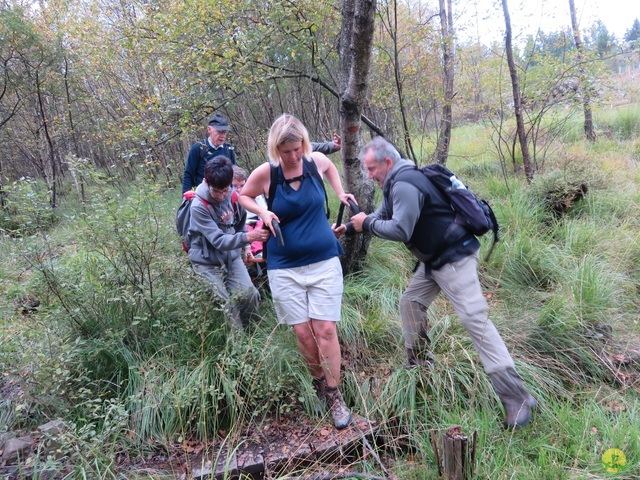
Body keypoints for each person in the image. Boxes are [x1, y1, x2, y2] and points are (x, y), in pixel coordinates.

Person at [338, 136, 536, 429]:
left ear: (387, 162)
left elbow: (401, 229)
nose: (369, 175)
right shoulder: (395, 182)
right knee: (411, 303)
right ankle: (419, 368)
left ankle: (517, 397)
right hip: (434, 261)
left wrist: (366, 224)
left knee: (475, 320)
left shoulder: (404, 183)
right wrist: (351, 228)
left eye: (371, 169)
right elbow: (382, 215)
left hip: (455, 259)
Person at [238, 114, 356, 430]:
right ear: (276, 148)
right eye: (286, 150)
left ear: (304, 143)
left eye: (297, 148)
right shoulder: (267, 174)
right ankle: (318, 382)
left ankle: (334, 395)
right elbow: (243, 195)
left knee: (326, 330)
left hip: (323, 260)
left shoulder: (315, 161)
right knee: (303, 334)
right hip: (284, 267)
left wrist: (340, 192)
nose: (292, 156)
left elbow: (331, 168)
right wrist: (262, 210)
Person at [188, 156, 270, 329]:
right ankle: (237, 349)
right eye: (216, 191)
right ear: (205, 182)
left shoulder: (233, 196)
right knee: (226, 304)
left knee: (249, 295)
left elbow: (240, 226)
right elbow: (219, 240)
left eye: (226, 190)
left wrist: (247, 247)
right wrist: (250, 237)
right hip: (206, 261)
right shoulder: (198, 206)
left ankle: (254, 335)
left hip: (231, 257)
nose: (222, 196)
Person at [182, 113, 237, 193]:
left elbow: (233, 173)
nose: (222, 136)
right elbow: (188, 174)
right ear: (209, 129)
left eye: (224, 132)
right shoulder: (198, 148)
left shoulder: (228, 149)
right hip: (203, 195)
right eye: (219, 132)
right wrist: (186, 197)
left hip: (224, 195)